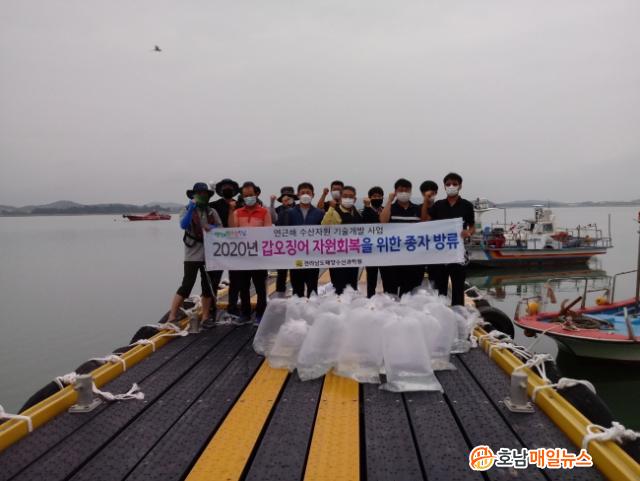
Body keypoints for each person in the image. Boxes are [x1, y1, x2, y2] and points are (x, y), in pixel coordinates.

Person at [167, 182, 222, 328]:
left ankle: (205, 317)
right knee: (187, 285)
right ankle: (172, 316)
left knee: (207, 286)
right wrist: (191, 209)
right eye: (199, 194)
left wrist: (211, 227)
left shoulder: (212, 212)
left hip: (209, 255)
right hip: (192, 254)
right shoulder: (185, 210)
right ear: (193, 195)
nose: (202, 196)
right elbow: (183, 225)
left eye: (205, 194)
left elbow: (221, 228)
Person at [426, 172, 475, 306]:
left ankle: (458, 314)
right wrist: (427, 201)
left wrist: (468, 232)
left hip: (458, 254)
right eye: (448, 184)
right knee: (439, 289)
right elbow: (425, 222)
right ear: (444, 186)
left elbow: (472, 226)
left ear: (460, 186)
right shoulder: (438, 205)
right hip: (440, 254)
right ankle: (441, 313)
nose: (451, 186)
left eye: (454, 184)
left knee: (458, 289)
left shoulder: (467, 205)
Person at [229, 181, 272, 322]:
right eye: (246, 195)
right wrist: (231, 210)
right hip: (242, 256)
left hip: (258, 256)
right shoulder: (237, 212)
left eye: (251, 195)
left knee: (260, 287)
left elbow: (268, 231)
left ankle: (260, 313)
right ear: (242, 196)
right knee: (243, 286)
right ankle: (245, 313)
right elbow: (232, 231)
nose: (248, 198)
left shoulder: (264, 212)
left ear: (256, 194)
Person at [278, 182, 324, 297]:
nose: (305, 195)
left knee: (312, 288)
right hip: (295, 256)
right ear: (297, 195)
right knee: (297, 289)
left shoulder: (319, 213)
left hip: (313, 256)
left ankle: (312, 306)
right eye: (302, 192)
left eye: (308, 192)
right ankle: (298, 306)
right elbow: (282, 232)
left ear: (313, 195)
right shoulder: (288, 213)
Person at [379, 178, 424, 296]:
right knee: (390, 292)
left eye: (407, 190)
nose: (404, 192)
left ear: (411, 192)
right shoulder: (390, 208)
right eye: (400, 190)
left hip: (412, 259)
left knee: (409, 293)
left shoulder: (417, 209)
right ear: (395, 192)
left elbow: (426, 226)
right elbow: (383, 221)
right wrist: (389, 200)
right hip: (392, 259)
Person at [321, 185, 363, 294]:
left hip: (353, 254)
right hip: (338, 256)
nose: (348, 198)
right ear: (340, 198)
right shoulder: (334, 212)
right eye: (345, 196)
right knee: (339, 286)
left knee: (352, 285)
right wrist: (331, 208)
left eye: (351, 196)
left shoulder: (357, 212)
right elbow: (324, 227)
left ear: (355, 199)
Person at [209, 178, 241, 318]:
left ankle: (232, 306)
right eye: (224, 187)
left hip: (236, 247)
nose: (227, 189)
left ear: (234, 190)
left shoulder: (240, 205)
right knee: (214, 279)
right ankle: (211, 307)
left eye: (230, 187)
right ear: (220, 191)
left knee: (236, 279)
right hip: (218, 247)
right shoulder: (213, 205)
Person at [361, 186, 389, 297]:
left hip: (385, 249)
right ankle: (370, 298)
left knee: (386, 276)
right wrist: (367, 207)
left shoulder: (386, 210)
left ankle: (388, 297)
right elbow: (367, 222)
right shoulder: (364, 211)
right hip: (370, 249)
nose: (377, 198)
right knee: (371, 277)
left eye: (379, 196)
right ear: (369, 197)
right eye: (374, 196)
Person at [270, 186, 298, 296]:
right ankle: (280, 296)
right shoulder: (277, 209)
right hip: (281, 246)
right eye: (285, 197)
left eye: (290, 197)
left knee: (296, 273)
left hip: (296, 246)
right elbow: (273, 219)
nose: (287, 199)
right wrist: (272, 203)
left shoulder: (299, 208)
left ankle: (297, 294)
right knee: (281, 273)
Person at [419, 180, 439, 289]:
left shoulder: (440, 207)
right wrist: (425, 202)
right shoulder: (417, 208)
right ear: (422, 193)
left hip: (436, 251)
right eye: (426, 192)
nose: (429, 195)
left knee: (435, 281)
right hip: (420, 250)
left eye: (433, 192)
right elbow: (423, 222)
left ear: (436, 193)